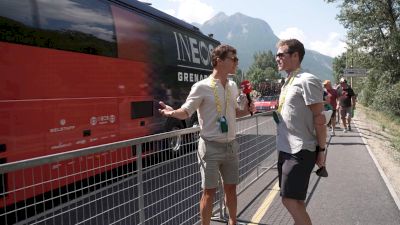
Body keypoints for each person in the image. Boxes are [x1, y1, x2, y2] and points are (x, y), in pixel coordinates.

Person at [158, 44, 255, 225]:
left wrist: (248, 110)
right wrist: (171, 113)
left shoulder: (233, 86)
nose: (237, 62)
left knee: (231, 189)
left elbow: (235, 113)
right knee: (209, 192)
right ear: (219, 61)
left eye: (237, 59)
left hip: (231, 145)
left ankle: (233, 222)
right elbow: (186, 112)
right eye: (233, 59)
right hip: (210, 147)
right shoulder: (201, 87)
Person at [274, 39, 327, 225]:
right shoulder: (288, 80)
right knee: (296, 201)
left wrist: (321, 151)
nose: (277, 58)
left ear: (296, 56)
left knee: (288, 200)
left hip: (300, 150)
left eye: (281, 54)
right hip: (286, 148)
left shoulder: (307, 80)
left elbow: (319, 119)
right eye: (277, 55)